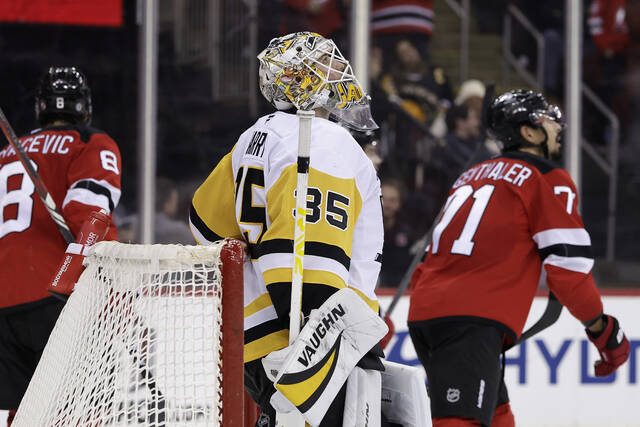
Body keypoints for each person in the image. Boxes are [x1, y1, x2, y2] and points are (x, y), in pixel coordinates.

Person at [189, 32, 386, 426]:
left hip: (256, 337)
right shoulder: (324, 140)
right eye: (327, 63)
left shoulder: (255, 135)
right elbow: (307, 258)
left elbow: (205, 225)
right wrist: (311, 350)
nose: (339, 70)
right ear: (305, 79)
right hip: (308, 338)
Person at [407, 90, 630, 427]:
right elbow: (568, 269)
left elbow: (431, 254)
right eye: (549, 121)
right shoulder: (547, 178)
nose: (558, 128)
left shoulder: (469, 177)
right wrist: (602, 329)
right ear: (528, 132)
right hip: (471, 320)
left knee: (498, 416)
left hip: (428, 312)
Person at [0, 66, 121, 426]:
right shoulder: (91, 143)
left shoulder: (7, 153)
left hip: (2, 306)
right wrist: (112, 280)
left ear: (41, 107)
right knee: (83, 406)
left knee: (17, 414)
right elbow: (90, 214)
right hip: (56, 295)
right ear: (84, 107)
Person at [154, 177, 193, 244]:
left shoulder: (138, 224)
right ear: (166, 204)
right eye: (174, 201)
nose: (176, 206)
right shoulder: (179, 230)